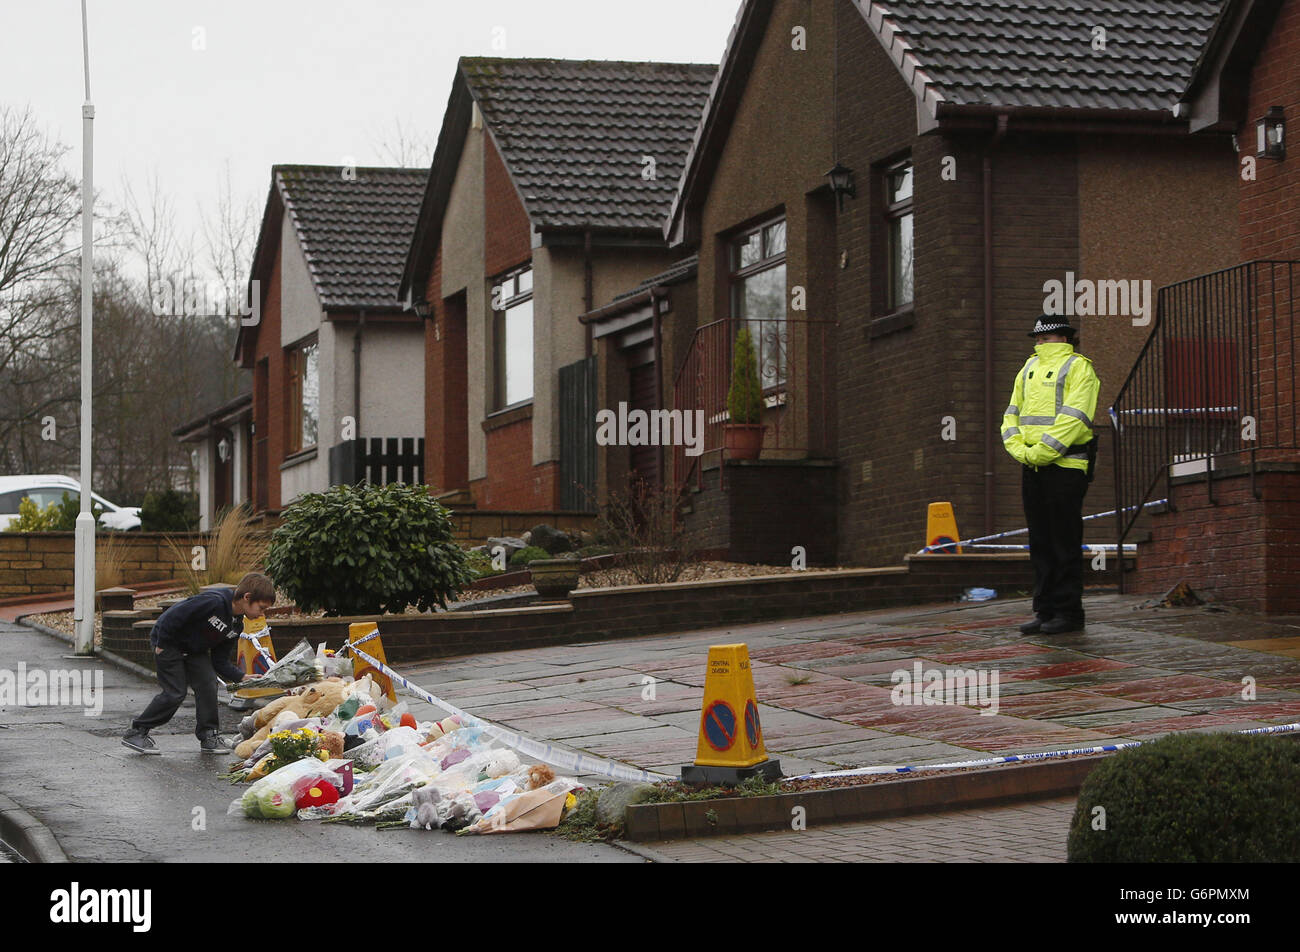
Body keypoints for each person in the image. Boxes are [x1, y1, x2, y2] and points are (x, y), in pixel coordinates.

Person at [1001, 315, 1100, 635]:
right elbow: (1011, 416)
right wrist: (1022, 451)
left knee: (1063, 540)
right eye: (1038, 339)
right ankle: (1045, 610)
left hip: (1065, 466)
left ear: (1064, 338)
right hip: (1033, 466)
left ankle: (1069, 613)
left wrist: (1039, 452)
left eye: (1047, 338)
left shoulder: (1079, 368)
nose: (1040, 344)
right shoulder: (1027, 369)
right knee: (1040, 541)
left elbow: (1076, 417)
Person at [122, 572, 276, 754]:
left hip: (194, 651)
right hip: (168, 644)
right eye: (262, 608)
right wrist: (162, 643)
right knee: (175, 692)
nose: (262, 614)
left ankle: (208, 735)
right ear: (247, 597)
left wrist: (241, 676)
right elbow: (174, 616)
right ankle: (136, 731)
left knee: (208, 683)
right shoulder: (214, 602)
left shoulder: (235, 626)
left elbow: (219, 660)